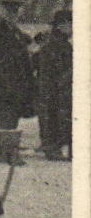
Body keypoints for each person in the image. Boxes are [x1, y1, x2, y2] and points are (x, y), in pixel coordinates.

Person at [0, 0, 36, 164]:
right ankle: (6, 153)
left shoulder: (20, 36)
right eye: (10, 13)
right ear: (3, 14)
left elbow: (27, 62)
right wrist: (5, 74)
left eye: (16, 13)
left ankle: (1, 147)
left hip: (20, 86)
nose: (14, 17)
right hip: (4, 86)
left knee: (12, 120)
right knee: (6, 120)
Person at [35, 9, 72, 161]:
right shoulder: (57, 43)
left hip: (51, 87)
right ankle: (52, 149)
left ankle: (53, 147)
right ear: (61, 25)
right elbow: (58, 68)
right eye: (70, 24)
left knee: (53, 117)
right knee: (53, 117)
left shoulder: (55, 42)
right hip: (54, 88)